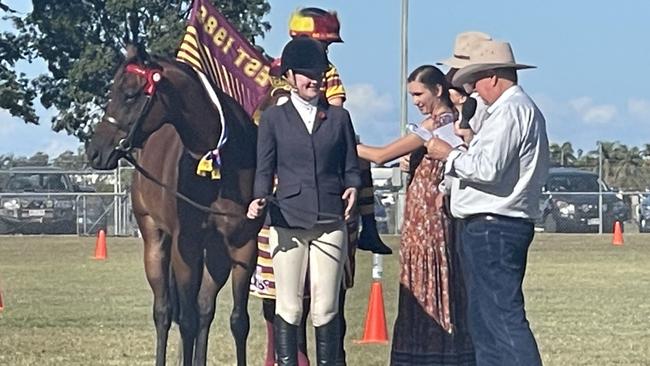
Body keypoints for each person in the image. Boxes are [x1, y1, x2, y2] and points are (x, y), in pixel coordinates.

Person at [250, 8, 388, 366]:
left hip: (328, 204)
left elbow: (340, 121)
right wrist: (258, 197)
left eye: (326, 48)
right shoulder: (275, 85)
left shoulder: (334, 90)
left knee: (361, 164)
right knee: (289, 304)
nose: (321, 63)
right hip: (288, 210)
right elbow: (262, 143)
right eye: (324, 43)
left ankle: (370, 224)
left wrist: (354, 186)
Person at [426, 39, 549, 366]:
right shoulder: (515, 110)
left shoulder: (509, 112)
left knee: (500, 317)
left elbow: (487, 169)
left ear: (494, 77)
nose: (474, 89)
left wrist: (448, 154)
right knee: (487, 320)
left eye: (477, 78)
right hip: (497, 224)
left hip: (494, 225)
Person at [357, 65, 475, 366]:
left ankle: (431, 352)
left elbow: (382, 155)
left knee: (429, 282)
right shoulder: (436, 124)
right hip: (419, 217)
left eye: (419, 93)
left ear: (437, 91)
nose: (416, 100)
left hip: (429, 221)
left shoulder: (439, 127)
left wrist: (345, 141)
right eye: (412, 95)